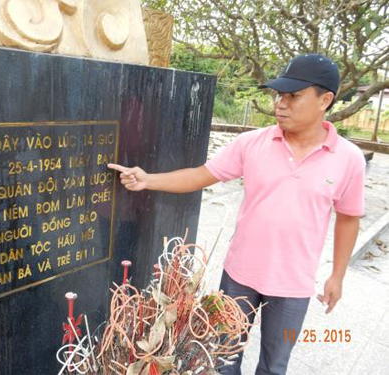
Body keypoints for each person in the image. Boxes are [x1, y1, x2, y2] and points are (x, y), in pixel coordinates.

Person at [108, 54, 365, 375]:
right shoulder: (251, 143)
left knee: (275, 365)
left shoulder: (349, 159)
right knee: (223, 360)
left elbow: (349, 217)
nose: (280, 104)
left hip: (293, 288)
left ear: (325, 100)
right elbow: (202, 175)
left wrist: (337, 275)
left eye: (293, 96)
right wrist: (148, 179)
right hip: (238, 278)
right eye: (279, 95)